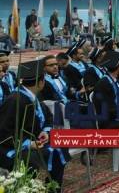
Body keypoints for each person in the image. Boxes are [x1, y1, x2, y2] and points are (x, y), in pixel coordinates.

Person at [0, 59, 70, 187]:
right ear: (41, 82)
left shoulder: (33, 95)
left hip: (36, 139)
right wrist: (28, 144)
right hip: (13, 146)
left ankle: (52, 186)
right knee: (33, 159)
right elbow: (4, 133)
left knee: (61, 144)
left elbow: (48, 117)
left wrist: (46, 131)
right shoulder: (15, 100)